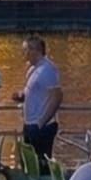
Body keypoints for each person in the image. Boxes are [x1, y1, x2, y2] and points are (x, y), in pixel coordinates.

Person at [19, 36, 62, 169]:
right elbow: (33, 92)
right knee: (30, 163)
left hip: (41, 126)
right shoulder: (33, 69)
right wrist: (21, 95)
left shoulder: (47, 70)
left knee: (41, 164)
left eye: (25, 50)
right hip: (29, 123)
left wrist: (41, 122)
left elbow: (57, 96)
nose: (24, 54)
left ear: (34, 50)